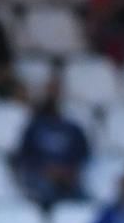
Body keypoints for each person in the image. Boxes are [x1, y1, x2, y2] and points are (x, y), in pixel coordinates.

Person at [10, 76, 91, 206]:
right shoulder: (34, 127)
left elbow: (83, 154)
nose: (53, 96)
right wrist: (45, 170)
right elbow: (24, 156)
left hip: (68, 180)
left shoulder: (73, 128)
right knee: (44, 192)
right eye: (49, 91)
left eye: (56, 92)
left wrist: (67, 171)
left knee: (85, 202)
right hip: (41, 179)